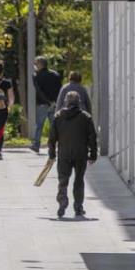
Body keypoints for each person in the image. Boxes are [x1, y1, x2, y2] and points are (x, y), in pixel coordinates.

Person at [48, 91, 98, 219]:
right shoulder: (86, 117)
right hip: (80, 153)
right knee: (79, 180)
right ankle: (78, 207)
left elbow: (52, 138)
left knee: (63, 180)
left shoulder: (58, 116)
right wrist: (93, 155)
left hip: (64, 154)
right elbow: (92, 137)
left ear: (66, 102)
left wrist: (52, 154)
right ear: (79, 102)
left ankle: (62, 203)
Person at [30, 56, 62, 154]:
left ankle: (36, 145)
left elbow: (39, 91)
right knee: (54, 126)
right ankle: (53, 146)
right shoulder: (55, 74)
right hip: (54, 104)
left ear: (40, 64)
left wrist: (47, 101)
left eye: (35, 64)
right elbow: (60, 90)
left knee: (39, 125)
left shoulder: (36, 75)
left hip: (42, 104)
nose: (34, 66)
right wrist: (55, 102)